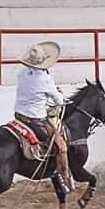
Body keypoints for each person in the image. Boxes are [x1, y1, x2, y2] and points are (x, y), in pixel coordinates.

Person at [15, 42, 70, 183]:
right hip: (36, 120)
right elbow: (58, 100)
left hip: (19, 116)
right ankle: (64, 176)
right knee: (62, 147)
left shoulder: (22, 73)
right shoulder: (45, 79)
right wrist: (59, 94)